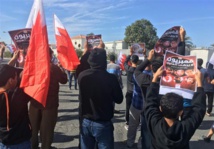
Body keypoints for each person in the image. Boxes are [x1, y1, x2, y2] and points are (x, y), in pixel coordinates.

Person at [145, 66, 206, 149]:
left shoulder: (154, 122)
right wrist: (199, 82)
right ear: (181, 112)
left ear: (160, 109)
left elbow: (150, 102)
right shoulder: (186, 128)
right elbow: (199, 109)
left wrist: (155, 78)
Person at [78, 48, 123, 149]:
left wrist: (86, 51)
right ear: (104, 62)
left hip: (86, 122)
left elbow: (81, 66)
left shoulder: (82, 76)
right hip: (103, 123)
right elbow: (119, 99)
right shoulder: (111, 78)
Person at [29, 48, 67, 149]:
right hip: (49, 104)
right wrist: (62, 69)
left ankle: (33, 146)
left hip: (34, 102)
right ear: (49, 55)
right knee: (47, 131)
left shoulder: (34, 66)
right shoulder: (54, 68)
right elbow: (64, 80)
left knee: (33, 129)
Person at [0, 52, 32, 148]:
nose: (17, 78)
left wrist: (14, 59)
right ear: (10, 80)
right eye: (16, 77)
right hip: (19, 141)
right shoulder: (16, 95)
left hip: (3, 141)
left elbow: (2, 73)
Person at [123, 53, 139, 130]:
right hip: (137, 93)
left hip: (129, 92)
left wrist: (129, 54)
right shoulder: (140, 70)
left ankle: (128, 123)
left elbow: (124, 63)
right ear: (138, 61)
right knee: (138, 108)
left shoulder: (129, 69)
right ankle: (137, 123)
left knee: (128, 108)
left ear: (131, 61)